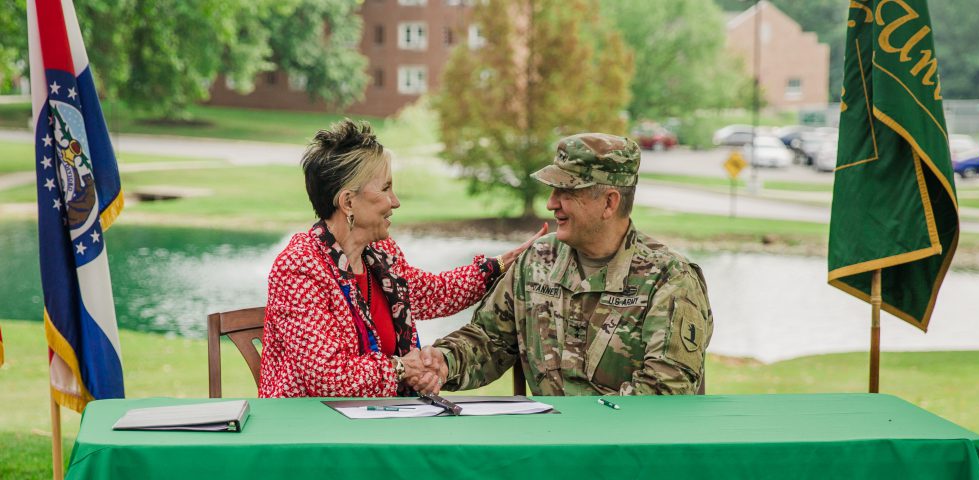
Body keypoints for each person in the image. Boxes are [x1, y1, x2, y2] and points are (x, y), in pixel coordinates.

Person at [258, 119, 544, 398]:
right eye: (385, 189)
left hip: (381, 418)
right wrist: (401, 368)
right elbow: (329, 378)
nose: (395, 201)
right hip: (316, 430)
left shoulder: (382, 255)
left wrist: (500, 265)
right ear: (347, 203)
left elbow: (435, 294)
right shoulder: (298, 268)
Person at [417, 132, 713, 395]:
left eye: (566, 192)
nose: (551, 203)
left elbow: (665, 390)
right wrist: (444, 362)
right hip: (549, 450)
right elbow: (489, 341)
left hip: (629, 453)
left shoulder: (669, 278)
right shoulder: (537, 260)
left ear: (609, 203)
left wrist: (581, 434)